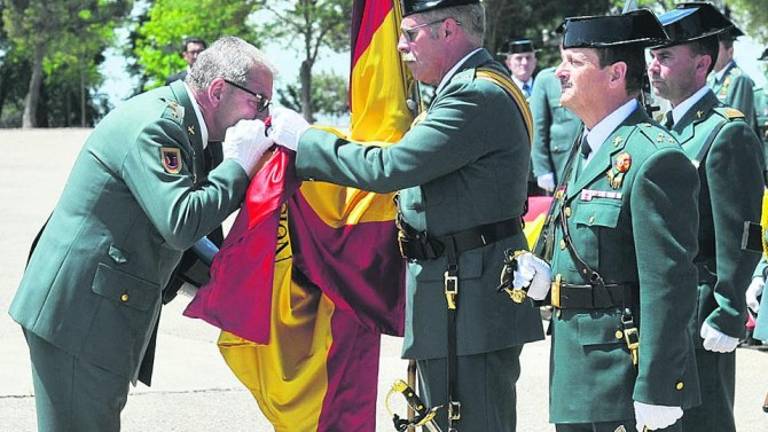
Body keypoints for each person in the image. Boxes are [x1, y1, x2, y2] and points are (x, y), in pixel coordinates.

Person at [270, 1, 544, 430]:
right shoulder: (461, 90)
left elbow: (389, 168)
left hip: (469, 299)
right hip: (455, 293)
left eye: (410, 33)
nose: (400, 46)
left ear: (448, 30)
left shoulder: (475, 95)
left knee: (473, 421)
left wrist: (306, 141)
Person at [9, 36, 275, 431]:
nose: (262, 116)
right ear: (219, 90)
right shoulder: (160, 127)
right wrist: (238, 164)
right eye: (259, 101)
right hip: (80, 318)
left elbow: (195, 234)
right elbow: (181, 222)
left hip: (98, 311)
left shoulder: (191, 130)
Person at [505, 9, 702, 431]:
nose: (559, 72)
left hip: (623, 378)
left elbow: (669, 285)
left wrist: (660, 386)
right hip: (576, 375)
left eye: (575, 62)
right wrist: (547, 276)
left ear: (615, 75)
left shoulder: (653, 157)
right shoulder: (587, 145)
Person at [648, 4, 765, 431]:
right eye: (652, 57)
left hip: (702, 308)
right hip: (665, 305)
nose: (654, 67)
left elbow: (743, 233)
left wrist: (729, 310)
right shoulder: (661, 130)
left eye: (665, 57)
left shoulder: (725, 130)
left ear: (701, 63)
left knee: (705, 420)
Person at [530, 61, 581, 194]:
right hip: (559, 164)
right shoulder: (547, 79)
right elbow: (537, 126)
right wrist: (542, 169)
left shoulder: (589, 74)